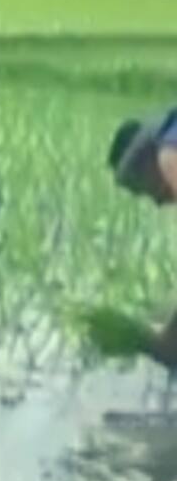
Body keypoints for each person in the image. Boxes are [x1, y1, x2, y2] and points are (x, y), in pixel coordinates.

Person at [104, 107, 177, 366]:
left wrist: (164, 342)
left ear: (145, 164)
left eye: (144, 190)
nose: (157, 202)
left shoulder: (169, 156)